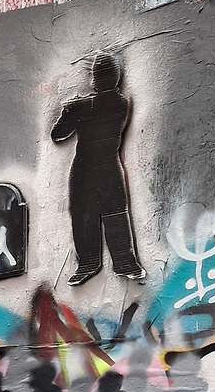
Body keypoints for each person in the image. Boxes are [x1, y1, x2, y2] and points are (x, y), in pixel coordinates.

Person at [51, 54, 145, 287]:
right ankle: (123, 263)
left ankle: (90, 264)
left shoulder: (90, 106)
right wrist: (75, 108)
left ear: (95, 79)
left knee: (85, 216)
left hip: (85, 169)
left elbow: (58, 133)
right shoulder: (120, 103)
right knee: (113, 214)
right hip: (108, 168)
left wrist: (69, 110)